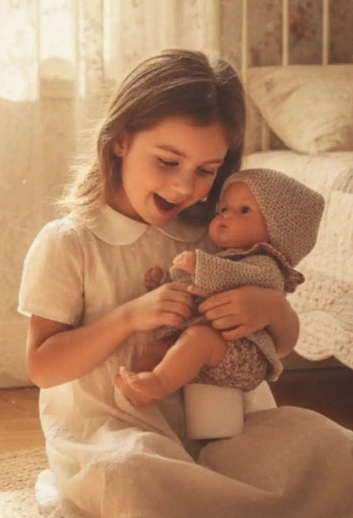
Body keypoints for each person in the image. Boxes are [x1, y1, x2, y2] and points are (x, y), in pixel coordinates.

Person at [18, 49, 353, 518]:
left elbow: (276, 347)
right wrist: (128, 318)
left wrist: (272, 308)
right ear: (120, 140)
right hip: (114, 429)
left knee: (340, 451)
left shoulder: (216, 236)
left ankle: (207, 496)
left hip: (221, 429)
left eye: (207, 170)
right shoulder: (70, 241)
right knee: (127, 474)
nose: (185, 186)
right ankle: (228, 502)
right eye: (168, 161)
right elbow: (43, 367)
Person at [114, 167, 324, 407]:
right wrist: (160, 286)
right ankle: (140, 386)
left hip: (244, 356)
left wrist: (201, 265)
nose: (225, 216)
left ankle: (159, 384)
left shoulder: (266, 264)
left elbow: (240, 276)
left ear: (277, 229)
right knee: (159, 346)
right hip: (211, 353)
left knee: (197, 337)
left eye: (243, 210)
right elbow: (189, 290)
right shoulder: (223, 257)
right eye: (223, 209)